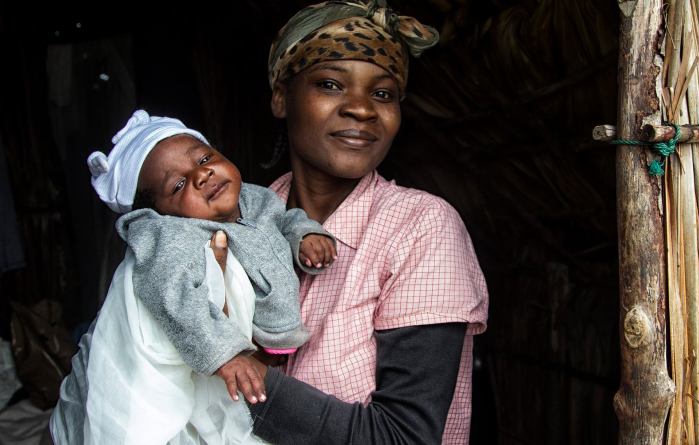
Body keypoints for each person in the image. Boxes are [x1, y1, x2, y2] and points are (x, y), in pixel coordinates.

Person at [225, 1, 489, 444]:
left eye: (383, 94)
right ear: (280, 97)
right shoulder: (239, 222)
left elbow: (402, 437)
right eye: (330, 84)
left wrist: (217, 370)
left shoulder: (420, 228)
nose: (362, 109)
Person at [50, 110, 336, 444]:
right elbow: (171, 294)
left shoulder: (256, 198)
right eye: (179, 184)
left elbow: (285, 219)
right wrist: (225, 354)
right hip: (224, 355)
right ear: (160, 213)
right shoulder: (171, 238)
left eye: (204, 157)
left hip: (278, 344)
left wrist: (304, 235)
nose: (202, 175)